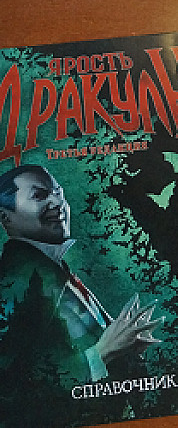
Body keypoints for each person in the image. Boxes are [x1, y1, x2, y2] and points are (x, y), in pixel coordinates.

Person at [0, 164, 163, 384]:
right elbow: (12, 381)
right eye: (39, 196)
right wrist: (104, 351)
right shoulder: (16, 280)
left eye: (58, 193)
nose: (58, 202)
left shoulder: (48, 267)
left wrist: (127, 345)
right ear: (5, 217)